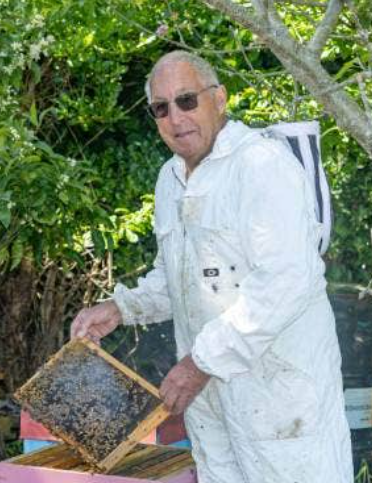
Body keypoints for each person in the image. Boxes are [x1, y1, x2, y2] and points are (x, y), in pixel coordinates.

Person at [71, 50, 352, 483]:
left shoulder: (262, 165)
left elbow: (287, 281)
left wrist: (200, 363)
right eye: (160, 108)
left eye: (187, 100)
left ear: (219, 99)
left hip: (282, 401)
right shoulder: (170, 179)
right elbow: (178, 277)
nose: (175, 117)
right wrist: (121, 308)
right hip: (214, 406)